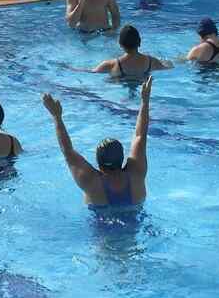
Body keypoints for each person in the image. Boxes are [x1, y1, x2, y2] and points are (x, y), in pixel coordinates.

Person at [42, 77, 151, 209]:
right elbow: (140, 135)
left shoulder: (91, 181)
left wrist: (56, 116)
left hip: (103, 228)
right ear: (122, 158)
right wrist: (144, 102)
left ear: (99, 163)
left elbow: (67, 151)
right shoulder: (136, 173)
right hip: (136, 228)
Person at [91, 25, 173, 80]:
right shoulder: (151, 62)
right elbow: (169, 67)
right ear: (139, 42)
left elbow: (91, 72)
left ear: (120, 44)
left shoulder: (111, 64)